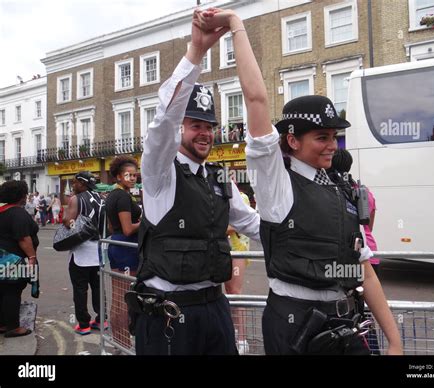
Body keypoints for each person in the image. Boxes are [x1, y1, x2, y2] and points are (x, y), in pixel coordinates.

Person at [199, 8, 402, 355]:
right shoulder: (276, 181)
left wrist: (395, 342)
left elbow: (364, 271)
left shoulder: (340, 187)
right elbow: (257, 99)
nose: (331, 144)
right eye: (321, 137)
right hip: (295, 325)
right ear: (292, 140)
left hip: (344, 321)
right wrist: (236, 26)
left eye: (334, 136)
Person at [133, 9, 260, 355]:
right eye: (195, 125)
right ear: (181, 129)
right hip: (169, 313)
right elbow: (163, 120)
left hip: (214, 308)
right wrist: (196, 53)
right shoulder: (160, 171)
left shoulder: (220, 179)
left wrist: (307, 235)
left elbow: (253, 224)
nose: (204, 133)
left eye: (209, 126)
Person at [63, 171, 105, 335]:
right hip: (98, 251)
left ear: (82, 183)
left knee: (80, 289)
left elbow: (69, 222)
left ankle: (84, 323)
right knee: (98, 288)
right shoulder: (101, 198)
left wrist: (71, 225)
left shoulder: (76, 199)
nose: (73, 185)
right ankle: (102, 319)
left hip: (81, 252)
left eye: (75, 182)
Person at [105, 155, 141, 348]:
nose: (133, 178)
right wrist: (144, 222)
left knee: (118, 297)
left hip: (117, 244)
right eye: (128, 175)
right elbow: (127, 229)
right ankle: (123, 344)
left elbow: (112, 228)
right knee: (123, 298)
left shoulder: (114, 195)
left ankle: (119, 342)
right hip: (126, 248)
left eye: (135, 175)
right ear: (119, 176)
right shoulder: (122, 196)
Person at [330, 149, 380, 275]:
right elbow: (369, 227)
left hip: (349, 254)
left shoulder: (331, 191)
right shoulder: (365, 192)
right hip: (370, 252)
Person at [0, 180, 38, 338]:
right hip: (14, 260)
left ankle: (2, 323)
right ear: (21, 196)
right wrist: (32, 257)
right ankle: (13, 327)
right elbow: (23, 238)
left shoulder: (2, 211)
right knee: (12, 291)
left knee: (2, 290)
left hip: (2, 257)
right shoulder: (18, 213)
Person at [225, 190, 251, 354]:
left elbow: (239, 225)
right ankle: (234, 330)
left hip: (238, 249)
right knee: (228, 292)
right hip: (222, 250)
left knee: (236, 292)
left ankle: (242, 338)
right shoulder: (215, 196)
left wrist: (217, 227)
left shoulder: (242, 198)